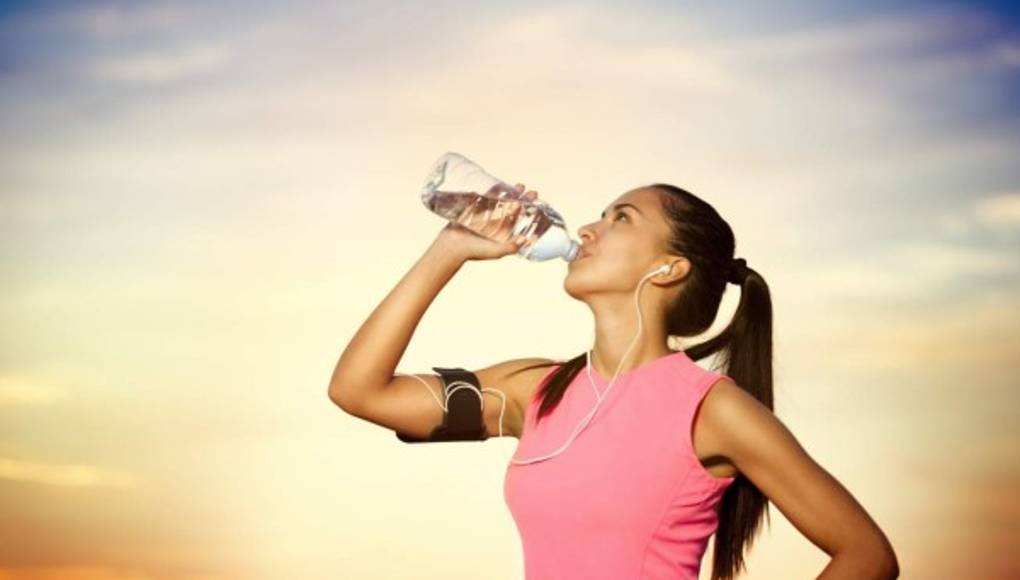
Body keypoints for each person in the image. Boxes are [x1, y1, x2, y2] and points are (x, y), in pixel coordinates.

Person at [327, 182, 899, 579]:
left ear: (669, 267)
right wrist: (448, 249)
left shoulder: (712, 410)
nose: (587, 229)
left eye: (620, 217)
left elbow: (867, 555)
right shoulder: (534, 391)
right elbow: (360, 391)